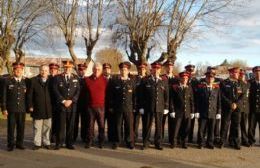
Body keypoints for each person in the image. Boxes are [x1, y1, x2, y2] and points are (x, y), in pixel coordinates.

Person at [139, 62, 169, 150]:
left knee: (159, 127)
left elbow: (166, 96)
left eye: (158, 69)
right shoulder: (145, 80)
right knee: (147, 126)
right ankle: (146, 143)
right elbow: (141, 95)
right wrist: (141, 106)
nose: (156, 70)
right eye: (154, 69)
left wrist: (166, 107)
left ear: (160, 70)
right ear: (151, 70)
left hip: (160, 107)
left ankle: (158, 143)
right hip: (148, 107)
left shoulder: (163, 81)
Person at [108, 61, 135, 149]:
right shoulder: (114, 82)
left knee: (129, 125)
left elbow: (135, 96)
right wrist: (111, 106)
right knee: (118, 125)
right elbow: (110, 95)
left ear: (128, 71)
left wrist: (134, 107)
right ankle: (117, 141)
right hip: (117, 108)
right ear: (120, 71)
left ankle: (129, 141)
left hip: (128, 107)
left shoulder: (132, 82)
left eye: (125, 70)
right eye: (122, 70)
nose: (123, 71)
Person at [53, 60, 80, 150]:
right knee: (60, 125)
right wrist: (63, 101)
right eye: (66, 67)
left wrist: (72, 100)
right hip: (61, 106)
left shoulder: (76, 77)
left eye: (69, 67)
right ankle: (59, 143)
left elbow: (78, 91)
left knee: (71, 125)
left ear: (72, 68)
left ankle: (69, 143)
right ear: (63, 68)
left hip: (72, 106)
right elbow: (55, 90)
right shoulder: (57, 78)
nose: (67, 69)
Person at [1, 62, 28, 151]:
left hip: (22, 109)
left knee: (21, 127)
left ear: (22, 71)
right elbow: (3, 96)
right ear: (13, 71)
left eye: (20, 70)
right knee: (11, 127)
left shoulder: (26, 81)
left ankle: (20, 143)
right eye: (16, 70)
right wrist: (4, 108)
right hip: (11, 109)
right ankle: (10, 144)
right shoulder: (7, 81)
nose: (18, 71)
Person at [28, 65, 53, 150]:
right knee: (37, 127)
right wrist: (30, 105)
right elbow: (29, 95)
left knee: (47, 127)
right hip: (37, 108)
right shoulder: (33, 80)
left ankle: (46, 142)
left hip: (48, 108)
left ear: (48, 71)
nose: (44, 72)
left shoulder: (52, 80)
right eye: (42, 70)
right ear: (39, 70)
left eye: (46, 70)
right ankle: (37, 143)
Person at [219, 67, 245, 150]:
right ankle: (222, 141)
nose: (237, 74)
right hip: (227, 107)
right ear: (231, 73)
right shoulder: (224, 82)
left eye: (237, 73)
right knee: (225, 125)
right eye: (235, 73)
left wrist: (236, 104)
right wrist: (230, 103)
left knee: (236, 125)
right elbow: (222, 95)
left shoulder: (240, 83)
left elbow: (243, 95)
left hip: (237, 107)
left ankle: (235, 142)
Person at [168, 72, 194, 149]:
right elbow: (171, 100)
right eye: (183, 78)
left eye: (186, 78)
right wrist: (172, 110)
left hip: (187, 111)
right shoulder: (175, 87)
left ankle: (184, 143)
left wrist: (192, 111)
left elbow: (191, 100)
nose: (185, 80)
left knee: (186, 128)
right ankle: (174, 142)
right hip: (178, 111)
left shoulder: (189, 88)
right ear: (180, 79)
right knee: (176, 128)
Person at [85, 62, 108, 148]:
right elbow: (84, 94)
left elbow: (108, 94)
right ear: (92, 69)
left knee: (101, 125)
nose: (96, 71)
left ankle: (101, 141)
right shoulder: (87, 80)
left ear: (101, 70)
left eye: (98, 69)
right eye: (95, 69)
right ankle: (89, 141)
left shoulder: (105, 80)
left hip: (101, 107)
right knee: (90, 125)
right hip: (90, 107)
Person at [196, 71, 221, 149]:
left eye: (211, 78)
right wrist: (197, 111)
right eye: (208, 77)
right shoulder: (201, 88)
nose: (210, 79)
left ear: (213, 79)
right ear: (206, 78)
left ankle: (210, 143)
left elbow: (219, 101)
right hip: (203, 112)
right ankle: (201, 143)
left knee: (211, 129)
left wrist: (218, 112)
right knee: (201, 129)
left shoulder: (217, 88)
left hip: (213, 112)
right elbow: (198, 101)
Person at [161, 60, 178, 141]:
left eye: (171, 66)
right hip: (163, 103)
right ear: (165, 67)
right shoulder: (162, 78)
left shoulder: (177, 78)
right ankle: (160, 139)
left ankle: (171, 139)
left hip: (174, 104)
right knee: (161, 123)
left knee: (172, 123)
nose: (169, 68)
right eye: (168, 66)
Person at [133, 61, 148, 143]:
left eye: (143, 68)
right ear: (138, 70)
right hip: (137, 104)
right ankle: (134, 139)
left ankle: (145, 140)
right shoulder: (134, 79)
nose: (142, 70)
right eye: (140, 69)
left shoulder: (149, 78)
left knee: (146, 123)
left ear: (145, 69)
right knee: (135, 123)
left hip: (146, 105)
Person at [185, 64, 199, 143]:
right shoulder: (183, 79)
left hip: (193, 104)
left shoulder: (196, 81)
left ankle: (189, 138)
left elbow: (198, 95)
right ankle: (182, 137)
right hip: (184, 103)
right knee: (184, 121)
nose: (190, 72)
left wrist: (196, 108)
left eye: (192, 71)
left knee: (191, 122)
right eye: (189, 70)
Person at [74, 63, 87, 142]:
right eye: (80, 70)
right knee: (74, 121)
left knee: (84, 121)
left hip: (85, 104)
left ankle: (84, 137)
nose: (81, 71)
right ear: (77, 71)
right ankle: (73, 136)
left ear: (85, 70)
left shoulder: (88, 79)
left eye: (83, 70)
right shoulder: (74, 79)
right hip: (75, 103)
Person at [248, 66, 260, 146]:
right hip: (252, 109)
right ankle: (251, 140)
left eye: (259, 71)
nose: (258, 73)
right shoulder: (250, 83)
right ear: (253, 73)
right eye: (256, 72)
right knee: (251, 126)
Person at [239, 69, 250, 147]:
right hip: (238, 107)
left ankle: (244, 140)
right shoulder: (237, 83)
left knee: (244, 125)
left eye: (243, 75)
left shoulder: (248, 84)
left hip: (245, 108)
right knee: (235, 126)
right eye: (241, 74)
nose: (242, 76)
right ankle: (232, 139)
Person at [49, 63, 60, 143]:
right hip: (48, 103)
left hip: (57, 103)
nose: (53, 70)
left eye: (55, 69)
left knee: (56, 121)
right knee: (48, 122)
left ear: (57, 70)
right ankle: (46, 137)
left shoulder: (60, 78)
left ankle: (54, 137)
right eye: (51, 69)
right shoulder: (47, 78)